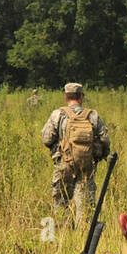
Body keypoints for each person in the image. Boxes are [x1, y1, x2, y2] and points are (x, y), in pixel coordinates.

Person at [41, 82, 111, 221]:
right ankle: (84, 234)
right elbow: (105, 140)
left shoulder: (58, 114)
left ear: (66, 97)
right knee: (85, 205)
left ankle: (64, 233)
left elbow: (47, 139)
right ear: (81, 97)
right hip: (87, 165)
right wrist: (99, 155)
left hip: (64, 164)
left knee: (61, 201)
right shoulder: (93, 115)